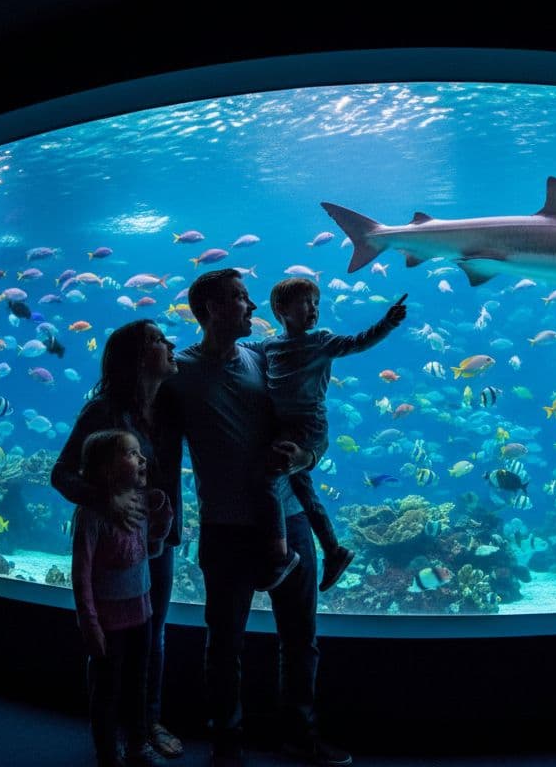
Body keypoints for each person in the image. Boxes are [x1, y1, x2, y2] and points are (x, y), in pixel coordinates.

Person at [156, 268, 352, 767]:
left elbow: (310, 430)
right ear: (210, 309)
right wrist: (168, 523)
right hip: (225, 528)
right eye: (242, 299)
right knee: (225, 642)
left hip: (290, 519)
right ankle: (227, 743)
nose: (253, 307)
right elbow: (163, 452)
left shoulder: (265, 358)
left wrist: (304, 458)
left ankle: (300, 735)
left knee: (301, 639)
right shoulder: (178, 374)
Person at [52, 319, 185, 761]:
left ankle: (144, 727)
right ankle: (113, 737)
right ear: (137, 356)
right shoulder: (103, 411)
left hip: (154, 543)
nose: (169, 344)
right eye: (158, 340)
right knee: (111, 654)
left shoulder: (169, 405)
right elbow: (62, 473)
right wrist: (103, 500)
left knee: (153, 635)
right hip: (111, 547)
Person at [260, 277, 406, 591]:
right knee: (303, 492)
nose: (313, 309)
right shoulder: (269, 345)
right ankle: (334, 550)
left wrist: (387, 323)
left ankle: (280, 553)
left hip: (308, 426)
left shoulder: (321, 340)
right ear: (281, 309)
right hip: (286, 427)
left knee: (271, 477)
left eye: (316, 303)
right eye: (305, 302)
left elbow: (359, 342)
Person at [69, 429, 174, 767]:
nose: (142, 459)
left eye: (140, 453)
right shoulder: (92, 515)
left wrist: (163, 516)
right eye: (131, 454)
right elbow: (81, 574)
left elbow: (152, 551)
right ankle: (107, 754)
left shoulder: (142, 501)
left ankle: (137, 745)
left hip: (141, 612)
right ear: (106, 469)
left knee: (137, 684)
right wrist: (90, 623)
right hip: (108, 620)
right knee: (107, 692)